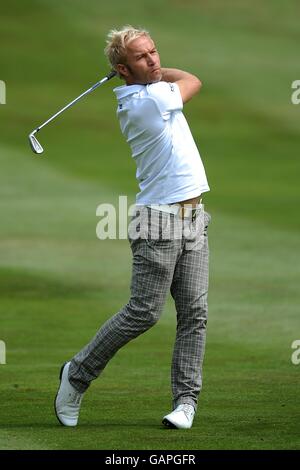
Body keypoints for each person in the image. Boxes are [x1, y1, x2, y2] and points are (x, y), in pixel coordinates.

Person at [55, 25, 211, 430]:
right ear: (123, 71)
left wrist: (152, 72)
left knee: (195, 313)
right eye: (143, 57)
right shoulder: (146, 102)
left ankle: (185, 402)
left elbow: (173, 80)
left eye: (155, 51)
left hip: (194, 218)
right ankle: (76, 374)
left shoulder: (151, 91)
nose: (155, 60)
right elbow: (192, 80)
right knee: (143, 313)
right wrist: (160, 75)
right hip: (158, 220)